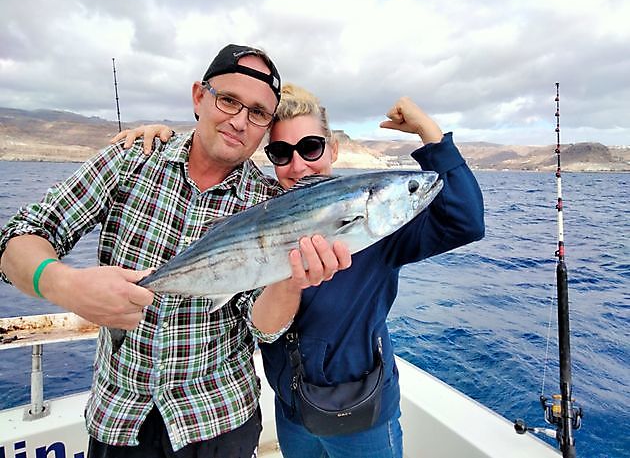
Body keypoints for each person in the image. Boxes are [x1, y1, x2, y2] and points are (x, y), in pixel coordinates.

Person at [0, 46, 351, 458]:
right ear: (198, 97)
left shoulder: (270, 204)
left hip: (219, 420)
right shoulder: (130, 159)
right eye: (228, 100)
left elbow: (264, 328)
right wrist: (65, 284)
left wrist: (292, 279)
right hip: (119, 419)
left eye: (258, 113)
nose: (240, 120)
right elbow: (20, 236)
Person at [115, 83, 485, 457]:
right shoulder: (261, 214)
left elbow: (466, 221)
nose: (298, 165)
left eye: (310, 148)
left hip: (362, 414)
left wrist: (431, 136)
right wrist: (162, 140)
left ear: (333, 147)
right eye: (280, 152)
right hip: (292, 411)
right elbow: (257, 320)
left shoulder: (380, 231)